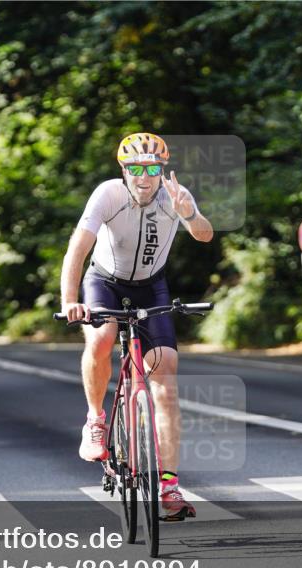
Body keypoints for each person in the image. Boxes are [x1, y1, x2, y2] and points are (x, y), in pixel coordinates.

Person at [60, 133, 214, 520]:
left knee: (165, 382)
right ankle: (96, 418)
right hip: (105, 282)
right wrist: (69, 302)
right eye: (135, 169)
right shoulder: (108, 195)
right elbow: (77, 249)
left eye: (152, 169)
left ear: (161, 170)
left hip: (152, 286)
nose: (144, 178)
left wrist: (189, 213)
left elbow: (204, 234)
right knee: (102, 336)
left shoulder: (174, 194)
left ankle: (169, 486)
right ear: (123, 170)